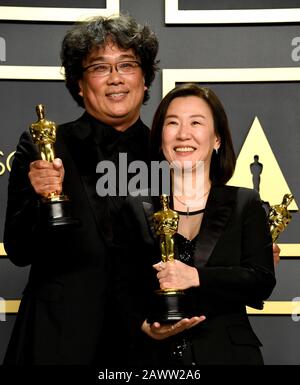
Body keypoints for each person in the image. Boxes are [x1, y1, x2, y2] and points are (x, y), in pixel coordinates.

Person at [3, 14, 159, 365]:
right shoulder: (45, 145)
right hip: (57, 336)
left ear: (146, 79)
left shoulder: (167, 151)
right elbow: (18, 248)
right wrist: (43, 203)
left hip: (144, 341)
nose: (116, 78)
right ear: (79, 83)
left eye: (127, 65)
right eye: (100, 67)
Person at [115, 84, 276, 365]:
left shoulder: (245, 203)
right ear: (160, 137)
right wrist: (142, 326)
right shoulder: (135, 206)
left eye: (196, 123)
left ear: (216, 138)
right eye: (172, 123)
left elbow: (260, 281)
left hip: (230, 355)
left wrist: (195, 277)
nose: (183, 134)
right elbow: (117, 285)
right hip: (153, 359)